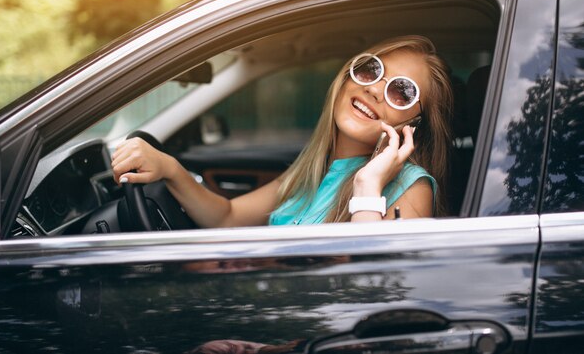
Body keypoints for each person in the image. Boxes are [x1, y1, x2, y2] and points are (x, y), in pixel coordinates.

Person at [111, 35, 453, 225]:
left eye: (402, 91)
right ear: (349, 75)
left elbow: (371, 293)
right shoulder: (315, 169)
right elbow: (227, 217)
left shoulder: (411, 189)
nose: (376, 89)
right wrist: (170, 168)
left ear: (412, 124)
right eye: (371, 70)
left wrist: (368, 186)